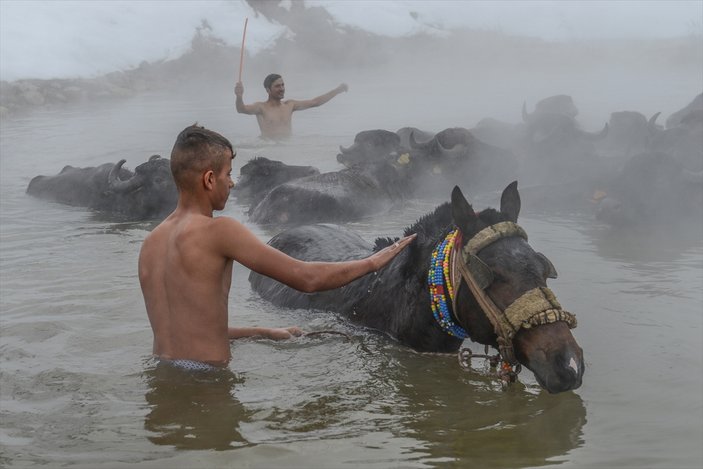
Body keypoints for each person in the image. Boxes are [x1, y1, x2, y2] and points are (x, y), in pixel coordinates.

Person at [138, 124, 415, 371]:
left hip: (161, 373)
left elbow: (191, 331)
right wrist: (373, 262)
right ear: (209, 179)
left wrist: (263, 331)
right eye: (228, 174)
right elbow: (307, 278)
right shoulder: (220, 230)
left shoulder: (152, 242)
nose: (232, 183)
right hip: (206, 382)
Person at [234, 73, 348, 140]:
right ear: (268, 90)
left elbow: (315, 102)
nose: (282, 88)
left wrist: (338, 90)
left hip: (287, 146)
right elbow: (241, 109)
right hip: (268, 148)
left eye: (283, 85)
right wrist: (239, 96)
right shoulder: (261, 107)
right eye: (277, 86)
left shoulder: (289, 105)